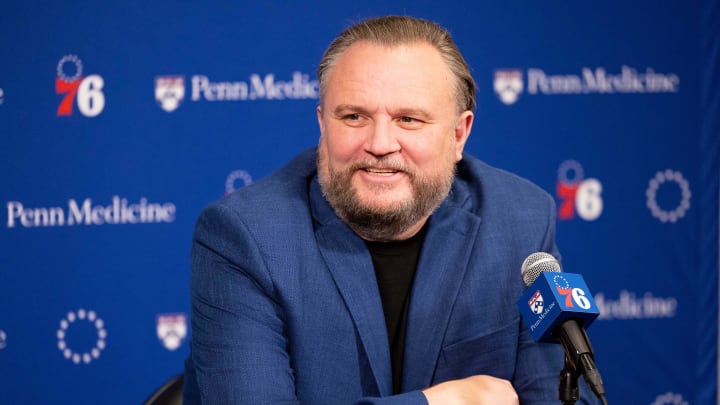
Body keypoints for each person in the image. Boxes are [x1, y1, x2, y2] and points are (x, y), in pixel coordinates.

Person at [183, 15, 599, 404]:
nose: (380, 143)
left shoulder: (519, 220)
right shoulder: (244, 236)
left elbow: (553, 395)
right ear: (322, 124)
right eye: (354, 116)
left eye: (409, 119)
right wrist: (433, 402)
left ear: (459, 133)